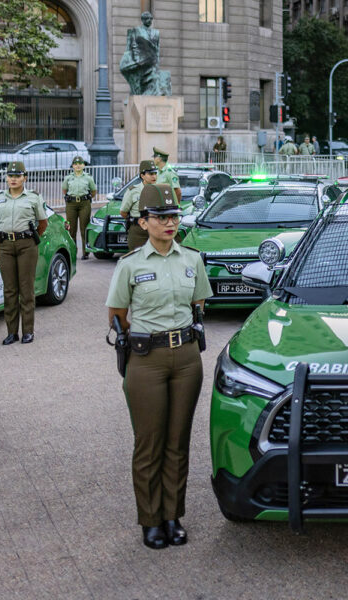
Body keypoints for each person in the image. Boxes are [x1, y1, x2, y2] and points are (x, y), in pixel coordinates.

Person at [106, 183, 213, 550]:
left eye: (174, 216)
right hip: (147, 359)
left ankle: (172, 515)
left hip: (185, 358)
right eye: (161, 217)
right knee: (149, 442)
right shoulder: (130, 265)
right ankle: (150, 519)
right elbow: (117, 315)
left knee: (178, 441)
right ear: (143, 221)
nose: (170, 223)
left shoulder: (192, 260)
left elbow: (199, 305)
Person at [0, 162, 48, 345]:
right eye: (10, 176)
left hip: (26, 245)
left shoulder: (33, 198)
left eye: (17, 175)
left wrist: (29, 237)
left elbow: (42, 223)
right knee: (9, 290)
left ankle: (28, 331)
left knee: (26, 289)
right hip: (5, 245)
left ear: (25, 178)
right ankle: (11, 332)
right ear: (6, 178)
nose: (13, 179)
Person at [61, 156, 96, 260]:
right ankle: (72, 251)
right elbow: (64, 190)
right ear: (72, 166)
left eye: (80, 164)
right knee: (71, 229)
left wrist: (87, 197)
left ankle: (85, 252)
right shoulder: (68, 178)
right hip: (71, 204)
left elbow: (93, 191)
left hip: (84, 203)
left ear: (83, 165)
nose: (78, 166)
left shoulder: (88, 177)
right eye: (75, 164)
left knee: (84, 227)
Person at [120, 160, 158, 251]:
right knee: (137, 258)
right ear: (142, 175)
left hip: (156, 228)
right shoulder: (133, 191)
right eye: (150, 174)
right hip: (138, 230)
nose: (154, 176)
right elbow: (123, 212)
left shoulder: (159, 190)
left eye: (155, 173)